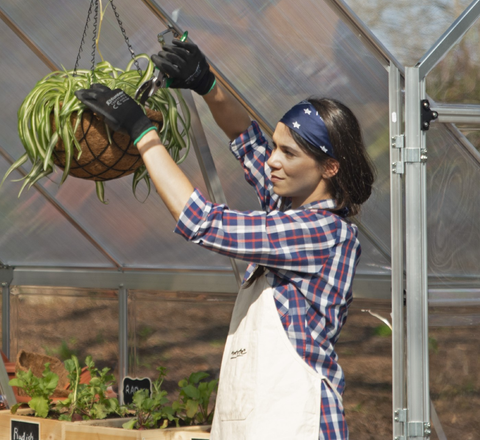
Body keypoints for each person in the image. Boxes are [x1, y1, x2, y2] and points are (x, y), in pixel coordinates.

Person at [75, 39, 375, 440]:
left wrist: (141, 131)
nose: (273, 160)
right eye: (277, 147)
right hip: (260, 416)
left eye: (288, 153)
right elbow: (245, 137)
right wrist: (206, 82)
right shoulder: (289, 206)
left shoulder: (320, 233)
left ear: (329, 167)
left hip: (298, 421)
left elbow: (201, 219)